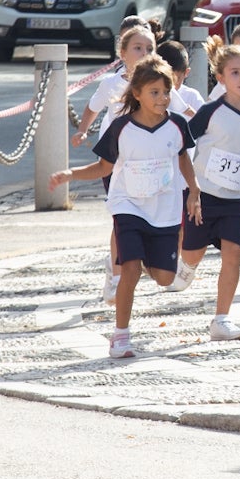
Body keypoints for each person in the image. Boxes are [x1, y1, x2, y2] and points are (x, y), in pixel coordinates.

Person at [49, 56, 202, 358]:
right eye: (154, 92)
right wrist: (71, 174)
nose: (162, 98)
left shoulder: (177, 125)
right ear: (137, 94)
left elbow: (183, 157)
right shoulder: (121, 127)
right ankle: (120, 336)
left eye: (166, 92)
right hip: (128, 205)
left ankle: (144, 258)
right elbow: (104, 167)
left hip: (164, 209)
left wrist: (194, 191)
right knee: (129, 268)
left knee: (165, 278)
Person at [169, 42, 240, 343]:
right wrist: (189, 187)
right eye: (235, 72)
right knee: (192, 253)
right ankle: (186, 267)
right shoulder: (210, 112)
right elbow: (183, 143)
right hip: (204, 195)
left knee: (233, 255)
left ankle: (221, 319)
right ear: (221, 77)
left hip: (239, 198)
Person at [72, 24, 159, 305]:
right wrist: (83, 130)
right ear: (122, 53)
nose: (144, 53)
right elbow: (92, 107)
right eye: (137, 48)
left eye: (149, 48)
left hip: (147, 160)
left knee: (143, 216)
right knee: (121, 217)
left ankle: (128, 263)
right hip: (115, 158)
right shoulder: (111, 83)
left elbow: (183, 110)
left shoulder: (159, 82)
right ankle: (117, 274)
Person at [157, 40, 204, 114]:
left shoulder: (192, 97)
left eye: (176, 79)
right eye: (167, 79)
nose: (171, 86)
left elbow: (204, 122)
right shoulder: (149, 95)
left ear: (186, 72)